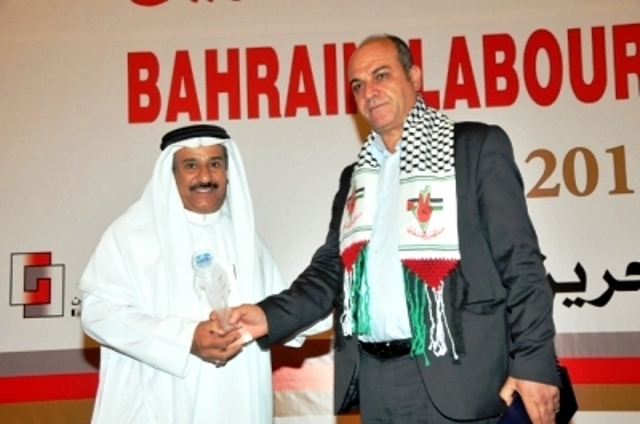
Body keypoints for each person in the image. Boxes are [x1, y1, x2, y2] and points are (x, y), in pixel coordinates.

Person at [229, 34, 561, 423]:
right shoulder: (356, 178)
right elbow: (331, 271)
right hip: (374, 381)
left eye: (381, 75)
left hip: (458, 380)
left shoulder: (473, 149)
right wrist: (269, 316)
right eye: (358, 85)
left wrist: (534, 362)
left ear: (414, 77)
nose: (369, 92)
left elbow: (521, 261)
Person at [79, 124, 319, 423]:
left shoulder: (246, 240)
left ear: (227, 172)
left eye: (214, 164)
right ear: (171, 174)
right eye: (191, 165)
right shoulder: (130, 236)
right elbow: (98, 314)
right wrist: (186, 338)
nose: (205, 177)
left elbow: (286, 317)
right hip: (159, 406)